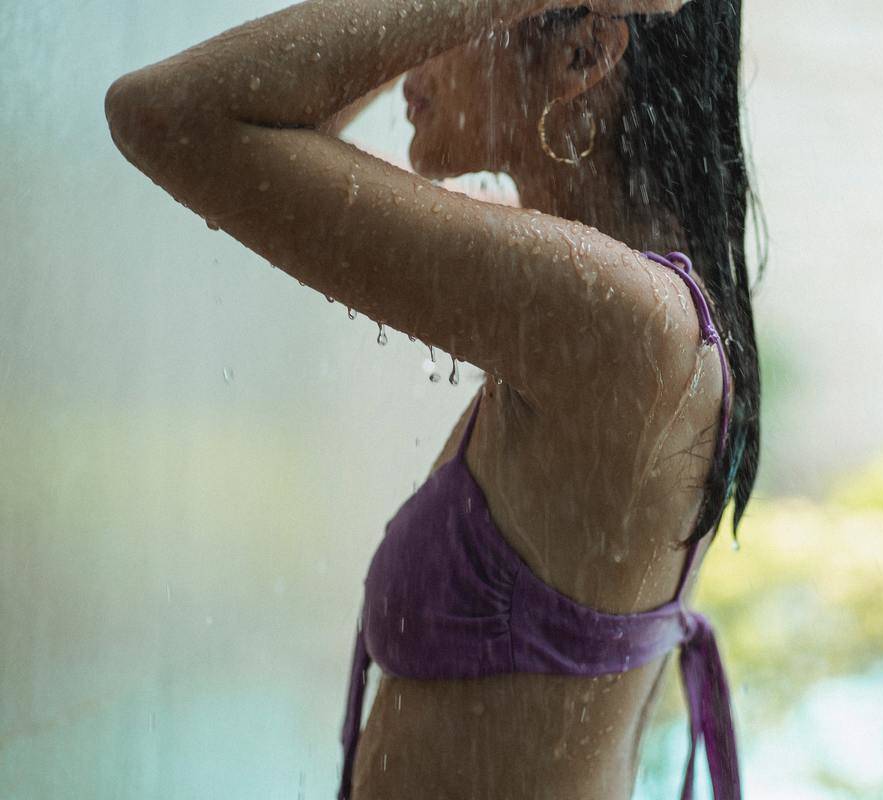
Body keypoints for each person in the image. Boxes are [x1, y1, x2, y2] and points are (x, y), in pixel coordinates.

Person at [105, 0, 764, 796]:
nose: (413, 41)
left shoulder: (625, 320)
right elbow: (288, 133)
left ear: (585, 53)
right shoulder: (610, 301)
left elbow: (171, 115)